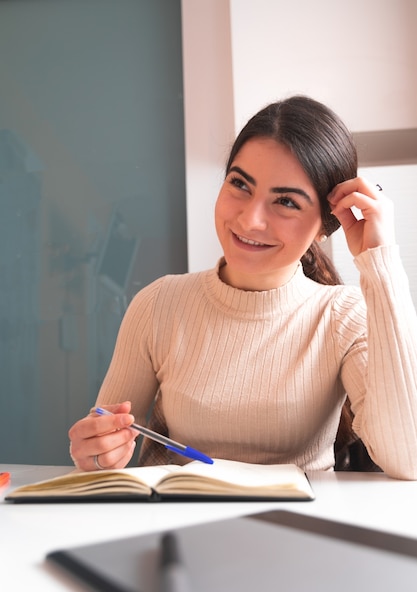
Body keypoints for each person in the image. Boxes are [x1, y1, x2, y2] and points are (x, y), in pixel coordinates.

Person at [69, 95, 417, 480]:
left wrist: (381, 262)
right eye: (239, 184)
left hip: (300, 532)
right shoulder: (158, 304)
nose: (250, 220)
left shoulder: (343, 315)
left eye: (285, 201)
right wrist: (98, 453)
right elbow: (104, 446)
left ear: (324, 225)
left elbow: (409, 458)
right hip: (177, 528)